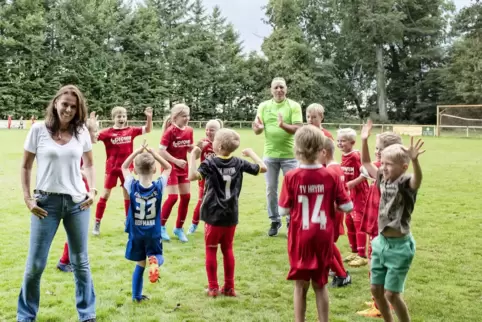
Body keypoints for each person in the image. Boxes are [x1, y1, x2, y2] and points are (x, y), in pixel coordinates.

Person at [18, 85, 97, 322]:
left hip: (77, 203)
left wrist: (92, 189)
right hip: (45, 204)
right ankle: (26, 316)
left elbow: (90, 164)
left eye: (74, 106)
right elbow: (25, 166)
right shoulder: (38, 130)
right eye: (65, 104)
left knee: (80, 262)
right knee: (35, 265)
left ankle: (87, 315)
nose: (69, 109)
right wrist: (27, 198)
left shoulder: (81, 132)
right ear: (55, 103)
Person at [278, 125, 353, 322]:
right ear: (322, 149)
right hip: (322, 236)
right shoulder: (331, 175)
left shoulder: (291, 176)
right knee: (321, 285)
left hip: (300, 237)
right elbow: (348, 206)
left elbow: (283, 210)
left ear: (297, 149)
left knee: (300, 286)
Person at [188, 128, 267, 297]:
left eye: (214, 140)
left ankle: (213, 288)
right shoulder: (239, 162)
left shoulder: (210, 163)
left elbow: (192, 176)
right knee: (228, 249)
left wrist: (193, 156)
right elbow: (263, 168)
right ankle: (229, 288)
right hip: (231, 214)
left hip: (213, 214)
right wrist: (252, 153)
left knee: (211, 249)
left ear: (219, 146)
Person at [357, 129, 402, 318]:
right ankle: (380, 299)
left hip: (382, 228)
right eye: (376, 148)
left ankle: (379, 306)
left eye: (380, 149)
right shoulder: (388, 174)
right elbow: (366, 163)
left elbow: (366, 163)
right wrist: (365, 141)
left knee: (376, 264)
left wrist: (364, 141)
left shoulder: (389, 177)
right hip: (379, 225)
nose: (377, 152)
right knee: (378, 264)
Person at [252, 77, 303, 237]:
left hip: (290, 156)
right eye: (276, 87)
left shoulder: (293, 106)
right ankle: (275, 220)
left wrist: (283, 125)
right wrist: (259, 128)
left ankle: (290, 219)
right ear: (271, 90)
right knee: (271, 189)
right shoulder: (263, 106)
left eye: (282, 87)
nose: (279, 90)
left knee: (292, 190)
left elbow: (298, 128)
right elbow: (257, 129)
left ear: (286, 89)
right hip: (270, 155)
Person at [122, 140, 172, 302]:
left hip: (136, 233)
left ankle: (136, 296)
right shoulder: (159, 186)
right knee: (157, 256)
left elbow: (123, 167)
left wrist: (137, 152)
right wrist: (153, 153)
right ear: (155, 169)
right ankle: (155, 261)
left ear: (135, 170)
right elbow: (169, 167)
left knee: (139, 265)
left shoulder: (131, 185)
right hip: (153, 232)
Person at [93, 106, 153, 235]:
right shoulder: (107, 132)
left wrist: (149, 117)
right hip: (112, 168)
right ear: (113, 118)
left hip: (126, 169)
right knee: (105, 195)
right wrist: (93, 127)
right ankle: (97, 222)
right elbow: (93, 139)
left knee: (128, 194)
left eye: (124, 116)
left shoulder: (130, 130)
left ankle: (128, 222)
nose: (122, 118)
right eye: (119, 116)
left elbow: (147, 129)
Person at [57, 112, 99, 272]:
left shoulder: (82, 148)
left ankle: (69, 260)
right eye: (95, 131)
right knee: (77, 231)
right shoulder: (77, 149)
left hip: (82, 190)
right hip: (77, 192)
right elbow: (71, 168)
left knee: (78, 232)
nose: (98, 134)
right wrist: (81, 172)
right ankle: (65, 261)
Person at [319, 136, 352, 288]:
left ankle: (341, 275)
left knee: (324, 246)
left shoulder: (329, 171)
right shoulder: (337, 167)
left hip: (331, 213)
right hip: (337, 212)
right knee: (330, 245)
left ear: (323, 152)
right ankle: (341, 272)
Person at [159, 104, 194, 242]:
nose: (187, 118)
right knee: (173, 197)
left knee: (186, 197)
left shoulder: (190, 130)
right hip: (169, 166)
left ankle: (179, 228)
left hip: (183, 167)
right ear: (175, 118)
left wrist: (196, 149)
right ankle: (160, 227)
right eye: (183, 116)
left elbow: (189, 149)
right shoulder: (170, 132)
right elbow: (161, 151)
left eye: (188, 115)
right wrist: (175, 161)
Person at [337, 128, 369, 267]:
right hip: (349, 196)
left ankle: (362, 255)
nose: (339, 143)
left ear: (352, 142)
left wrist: (352, 183)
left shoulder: (356, 156)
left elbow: (367, 173)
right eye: (338, 141)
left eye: (343, 141)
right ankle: (354, 251)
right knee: (348, 222)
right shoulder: (343, 156)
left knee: (358, 223)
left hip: (360, 195)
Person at [188, 119, 223, 234]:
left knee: (218, 202)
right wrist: (198, 148)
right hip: (205, 179)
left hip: (219, 179)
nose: (208, 132)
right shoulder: (203, 142)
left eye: (211, 130)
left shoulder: (222, 142)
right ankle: (193, 224)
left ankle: (215, 225)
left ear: (218, 131)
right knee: (201, 202)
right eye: (207, 129)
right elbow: (196, 157)